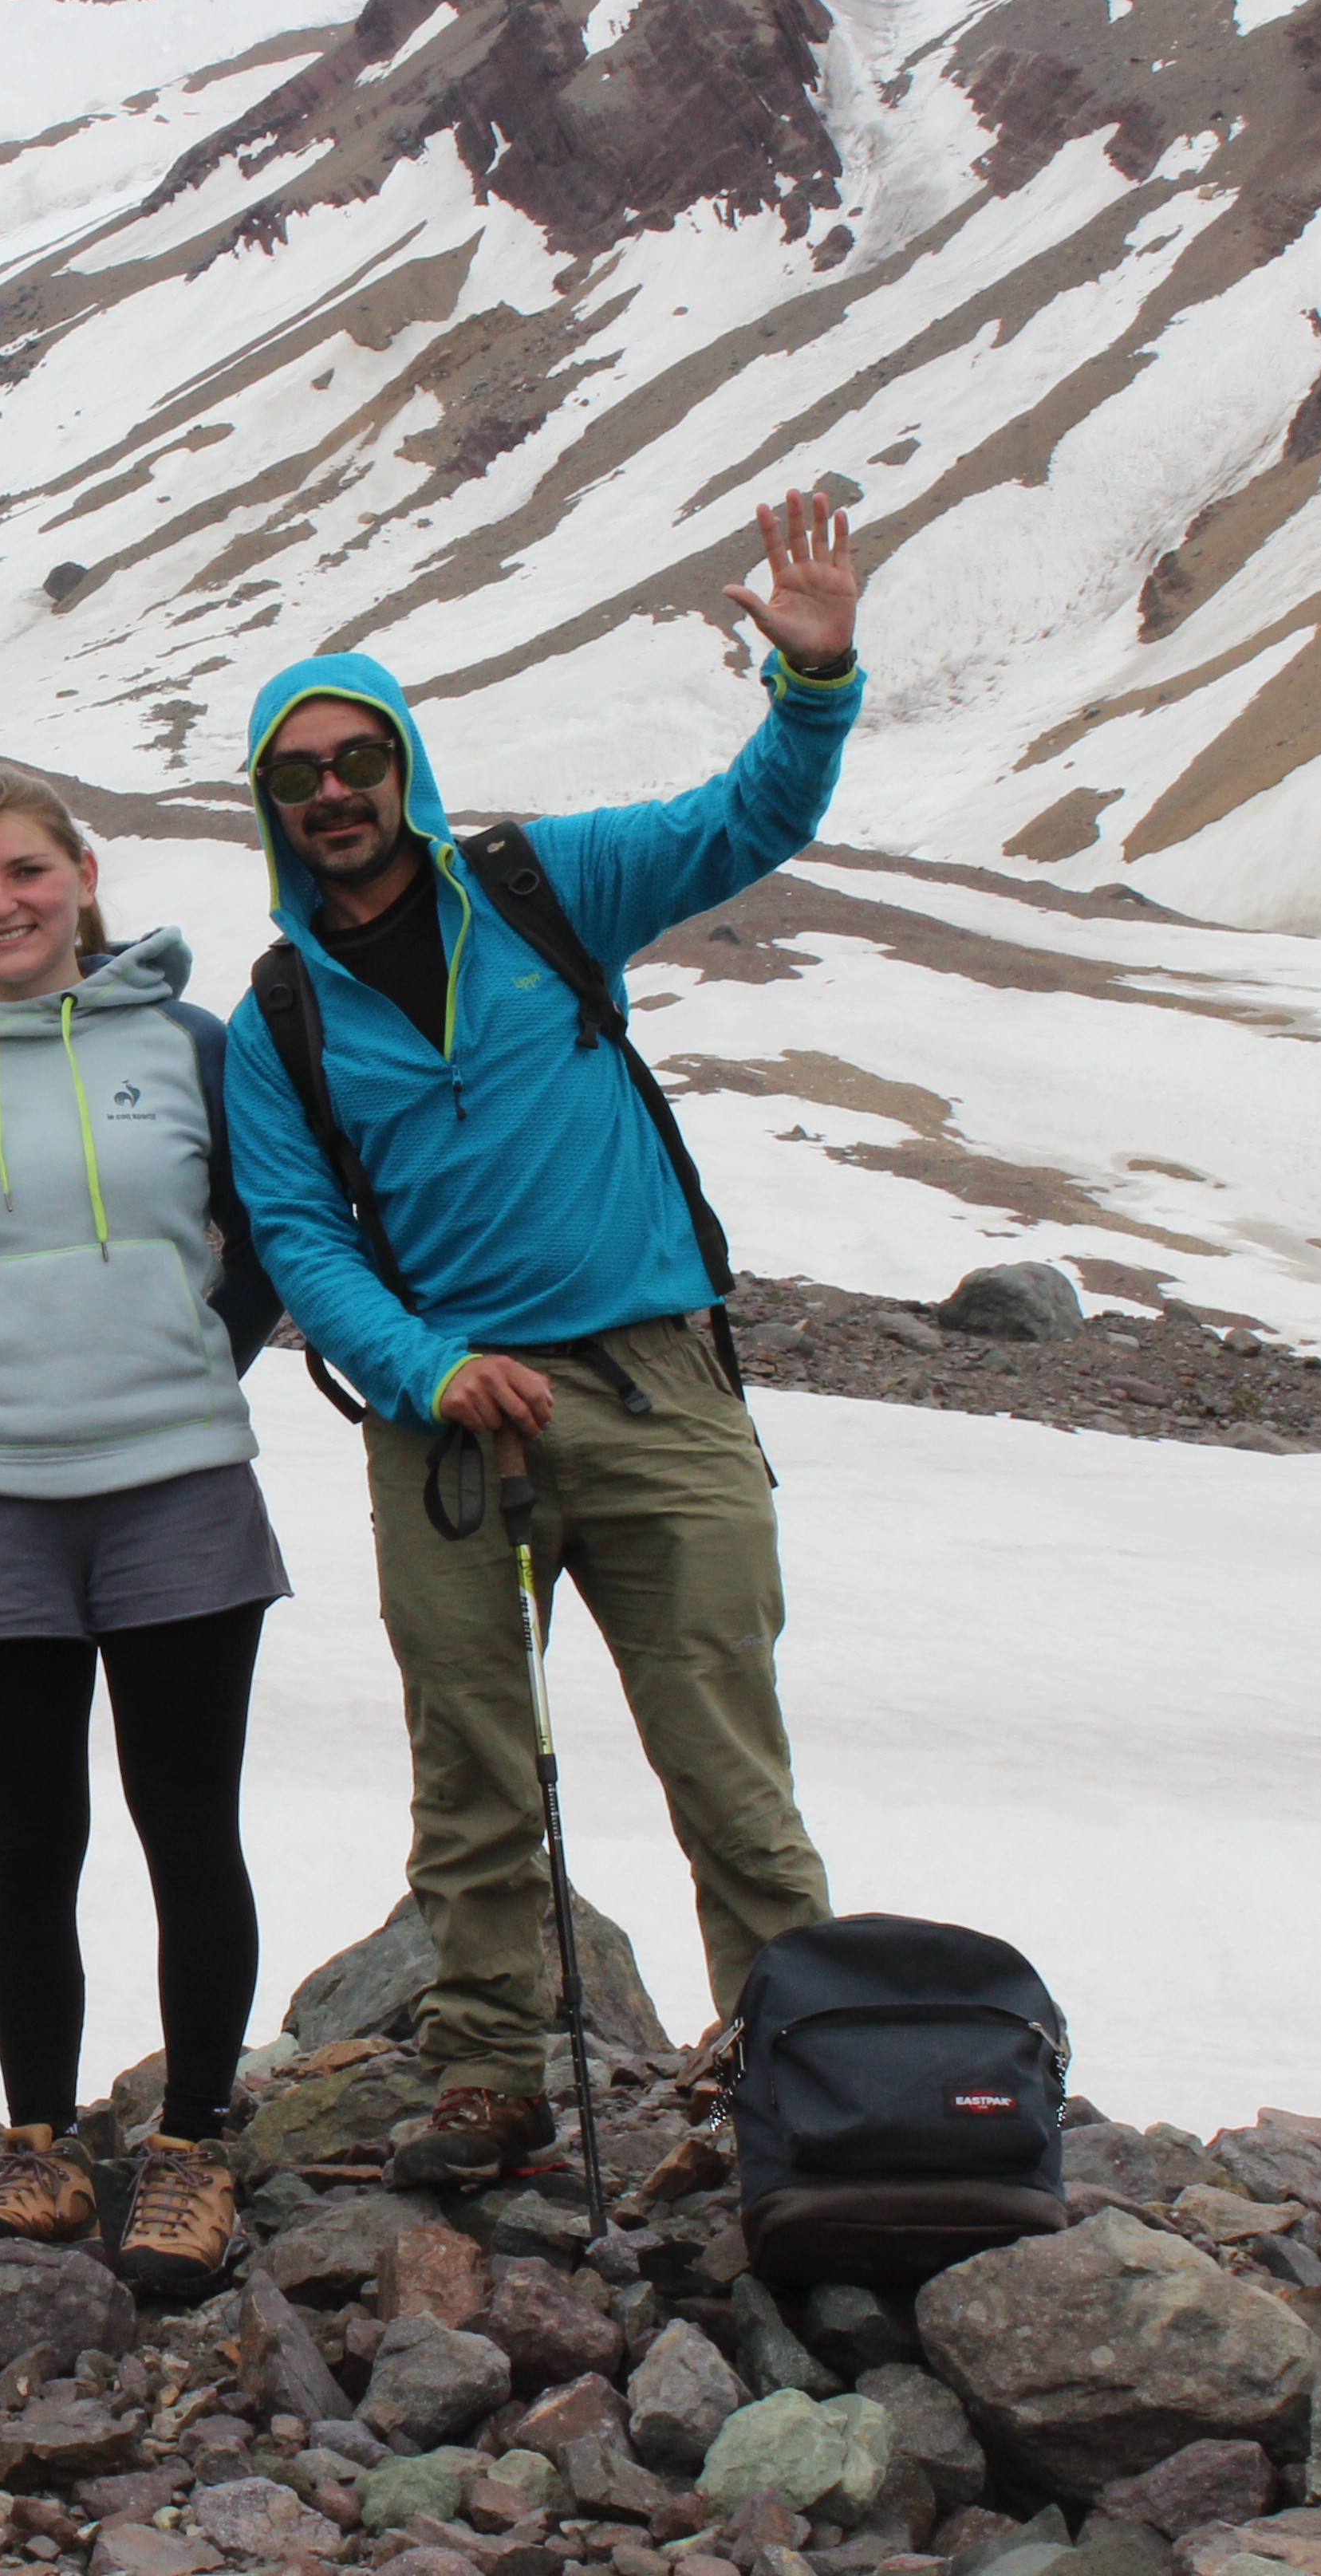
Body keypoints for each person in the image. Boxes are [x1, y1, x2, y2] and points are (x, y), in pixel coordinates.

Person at [218, 490, 862, 2190]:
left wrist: (812, 684)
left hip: (655, 1387)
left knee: (726, 1754)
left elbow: (748, 823)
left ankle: (790, 2066)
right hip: (448, 1435)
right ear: (272, 808)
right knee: (475, 1764)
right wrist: (430, 1367)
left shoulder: (544, 883)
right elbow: (296, 1240)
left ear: (404, 769)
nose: (335, 793)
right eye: (300, 775)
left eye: (358, 760)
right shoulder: (275, 1017)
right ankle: (492, 2066)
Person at [0, 771, 287, 2297]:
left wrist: (188, 1361)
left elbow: (264, 1239)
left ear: (84, 875)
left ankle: (188, 2150)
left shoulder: (185, 1045)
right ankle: (41, 2144)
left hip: (175, 1485)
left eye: (26, 873)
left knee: (188, 1825)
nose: (2, 905)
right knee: (27, 1842)